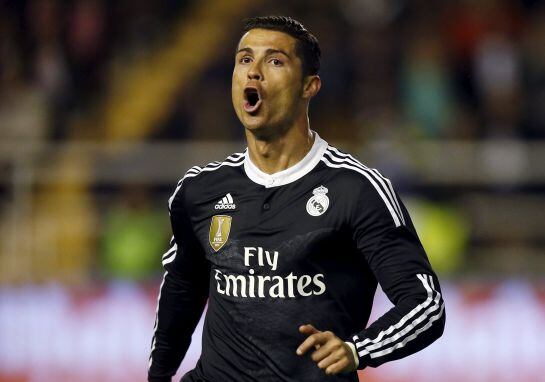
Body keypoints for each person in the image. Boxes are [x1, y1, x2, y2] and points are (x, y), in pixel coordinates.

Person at [148, 16, 445, 382]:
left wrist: (358, 349)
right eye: (244, 60)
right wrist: (158, 376)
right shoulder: (200, 190)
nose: (253, 72)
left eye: (274, 61)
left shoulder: (356, 190)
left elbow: (426, 305)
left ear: (309, 86)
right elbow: (182, 289)